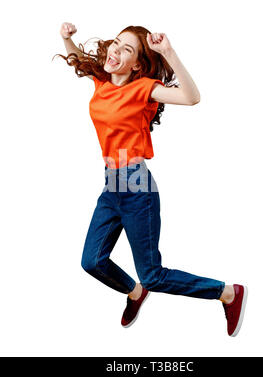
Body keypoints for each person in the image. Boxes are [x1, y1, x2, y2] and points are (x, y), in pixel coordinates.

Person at [55, 22, 248, 337]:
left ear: (138, 65)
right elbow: (77, 60)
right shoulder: (102, 82)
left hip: (135, 185)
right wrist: (67, 38)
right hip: (112, 185)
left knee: (154, 275)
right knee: (91, 262)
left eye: (126, 49)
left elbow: (190, 97)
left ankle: (227, 293)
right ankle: (134, 292)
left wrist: (168, 52)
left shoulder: (143, 89)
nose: (115, 51)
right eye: (116, 43)